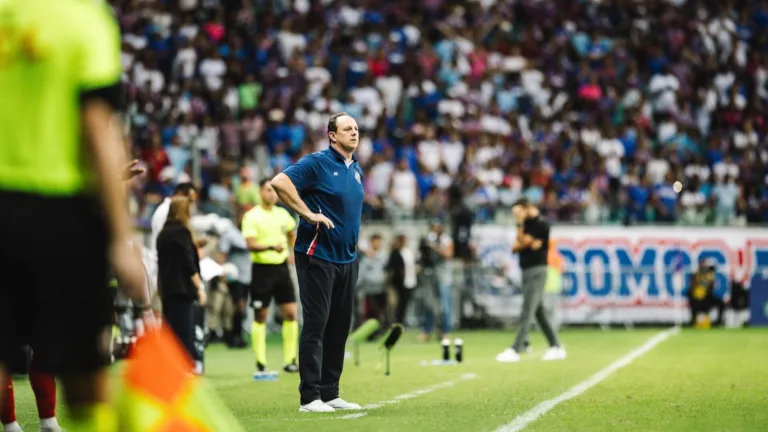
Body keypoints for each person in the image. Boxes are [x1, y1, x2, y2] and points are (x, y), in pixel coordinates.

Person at [0, 1, 149, 430]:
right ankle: (61, 424)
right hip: (59, 211)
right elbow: (98, 128)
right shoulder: (83, 18)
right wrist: (121, 238)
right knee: (85, 372)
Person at [1, 162, 144, 432]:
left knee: (45, 347)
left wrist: (114, 176)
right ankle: (9, 423)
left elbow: (77, 184)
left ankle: (48, 420)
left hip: (46, 258)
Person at [271, 112, 364, 413]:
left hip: (347, 258)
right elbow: (280, 182)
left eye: (356, 128)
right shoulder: (317, 162)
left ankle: (330, 392)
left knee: (339, 326)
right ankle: (309, 397)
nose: (354, 132)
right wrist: (308, 214)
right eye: (347, 128)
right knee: (316, 324)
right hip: (317, 255)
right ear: (332, 135)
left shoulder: (355, 168)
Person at [241, 179, 300, 375]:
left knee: (291, 313)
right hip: (262, 269)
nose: (272, 194)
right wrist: (270, 247)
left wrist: (292, 252)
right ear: (260, 193)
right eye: (268, 190)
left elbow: (293, 233)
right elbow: (250, 244)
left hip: (281, 269)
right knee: (261, 316)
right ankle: (261, 361)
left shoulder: (283, 214)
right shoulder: (251, 216)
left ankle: (290, 360)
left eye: (274, 191)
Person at [496, 198, 566, 363]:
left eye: (518, 212)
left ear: (526, 208)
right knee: (538, 311)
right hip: (526, 270)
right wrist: (524, 241)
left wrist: (521, 230)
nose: (516, 216)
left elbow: (523, 242)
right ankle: (556, 346)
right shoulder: (526, 225)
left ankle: (516, 349)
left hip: (537, 270)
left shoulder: (541, 224)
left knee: (527, 310)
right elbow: (516, 245)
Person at [156, 197, 208, 363]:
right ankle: (184, 373)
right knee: (184, 336)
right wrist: (200, 288)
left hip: (167, 289)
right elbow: (188, 263)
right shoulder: (182, 232)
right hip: (183, 290)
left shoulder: (163, 233)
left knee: (170, 335)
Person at [215, 217, 251, 348]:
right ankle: (232, 336)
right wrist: (221, 271)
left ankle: (236, 335)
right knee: (237, 306)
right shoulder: (230, 234)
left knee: (241, 308)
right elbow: (222, 254)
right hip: (234, 276)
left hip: (248, 275)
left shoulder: (251, 233)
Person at [419, 220, 455, 342]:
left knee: (445, 305)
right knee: (429, 304)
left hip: (444, 276)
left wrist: (433, 247)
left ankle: (446, 331)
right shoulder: (429, 238)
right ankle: (427, 331)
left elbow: (448, 254)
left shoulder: (446, 239)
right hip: (431, 274)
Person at [357, 234, 390, 340]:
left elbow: (386, 270)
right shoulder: (366, 257)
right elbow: (362, 273)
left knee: (382, 312)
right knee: (370, 313)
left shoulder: (383, 256)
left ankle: (381, 331)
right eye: (377, 241)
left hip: (381, 289)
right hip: (369, 290)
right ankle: (370, 334)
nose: (378, 243)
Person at [387, 234, 418, 327]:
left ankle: (402, 322)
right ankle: (397, 323)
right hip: (399, 283)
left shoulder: (408, 251)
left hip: (410, 281)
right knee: (397, 304)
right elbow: (391, 266)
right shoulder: (395, 252)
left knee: (405, 303)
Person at [688, 258, 725, 327]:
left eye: (705, 265)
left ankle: (719, 321)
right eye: (703, 264)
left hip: (707, 298)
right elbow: (692, 286)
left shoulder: (709, 275)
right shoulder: (696, 274)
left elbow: (712, 287)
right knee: (693, 301)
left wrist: (711, 280)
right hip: (697, 299)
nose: (704, 266)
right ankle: (693, 321)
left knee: (720, 303)